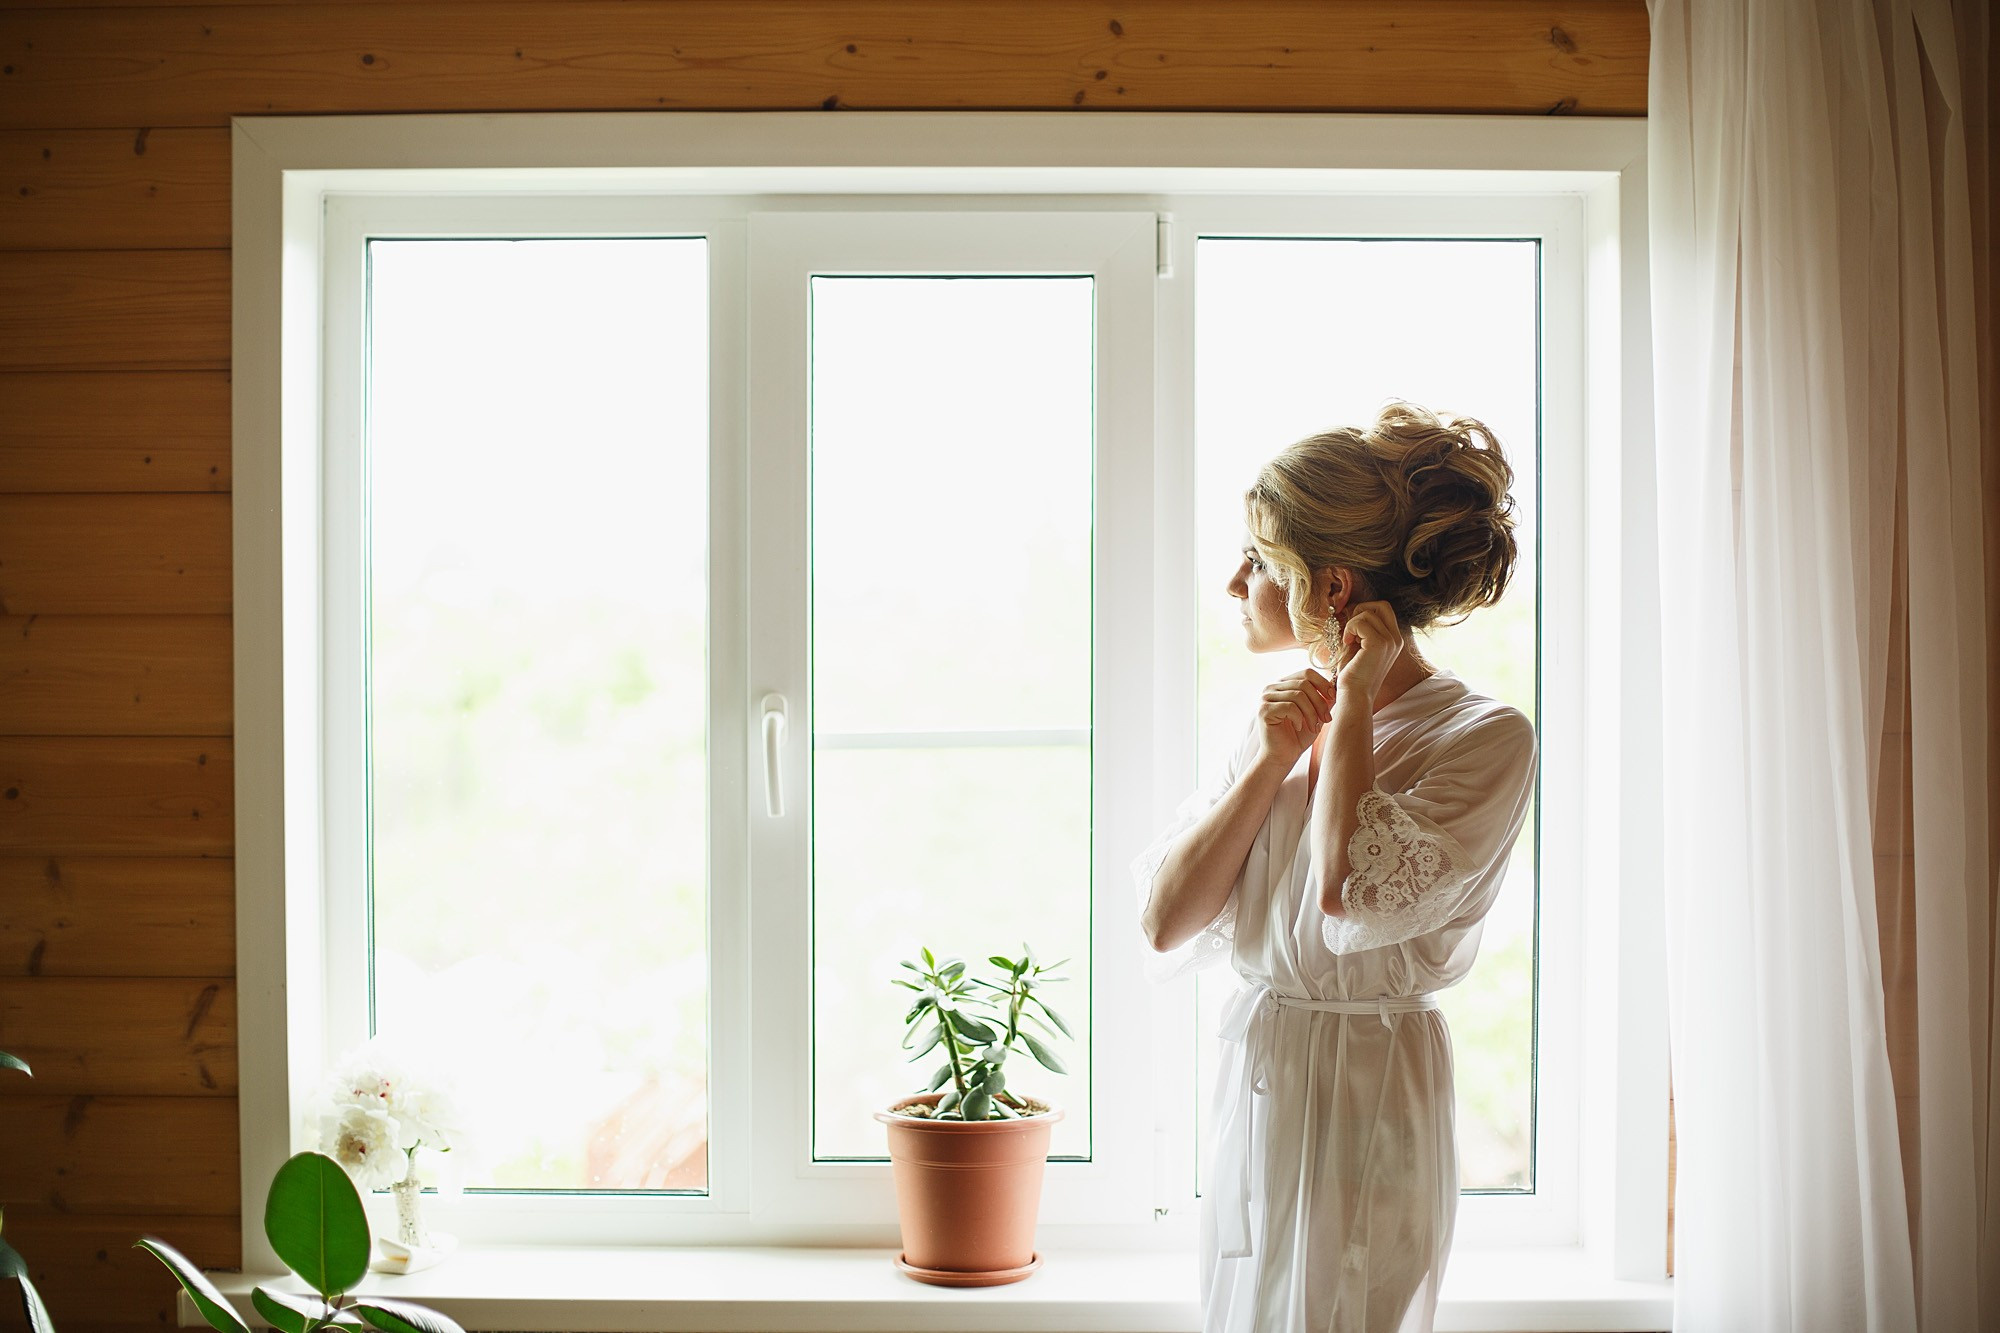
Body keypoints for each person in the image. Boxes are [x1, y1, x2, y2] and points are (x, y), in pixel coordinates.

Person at [1134, 402, 1539, 1333]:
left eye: (1262, 562)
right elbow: (1164, 920)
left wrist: (1355, 705)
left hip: (1372, 1093)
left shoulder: (1484, 738)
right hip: (1264, 1079)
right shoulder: (1277, 720)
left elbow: (1346, 898)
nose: (1236, 581)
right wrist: (1276, 757)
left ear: (1333, 589)